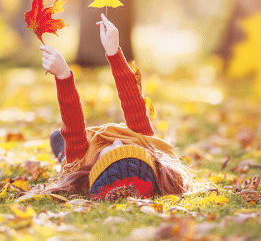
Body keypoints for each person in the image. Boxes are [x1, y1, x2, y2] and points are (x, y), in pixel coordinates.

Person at [34, 14, 192, 201]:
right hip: (116, 150)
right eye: (125, 147)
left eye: (113, 152)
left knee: (64, 146)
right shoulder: (146, 146)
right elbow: (133, 104)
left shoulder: (82, 166)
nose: (117, 142)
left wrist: (63, 75)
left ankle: (61, 151)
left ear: (98, 166)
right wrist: (113, 51)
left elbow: (73, 126)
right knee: (69, 141)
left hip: (81, 158)